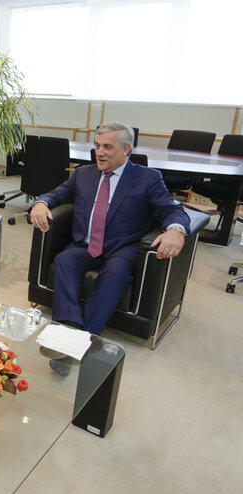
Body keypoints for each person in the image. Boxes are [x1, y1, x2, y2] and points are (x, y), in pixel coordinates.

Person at [29, 122, 191, 335]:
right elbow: (55, 194)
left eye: (107, 147)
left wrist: (176, 230)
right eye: (97, 146)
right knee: (64, 260)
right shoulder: (83, 174)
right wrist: (40, 203)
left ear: (126, 149)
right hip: (85, 244)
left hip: (123, 248)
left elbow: (171, 210)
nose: (100, 153)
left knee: (115, 273)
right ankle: (68, 328)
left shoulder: (148, 178)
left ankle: (88, 335)